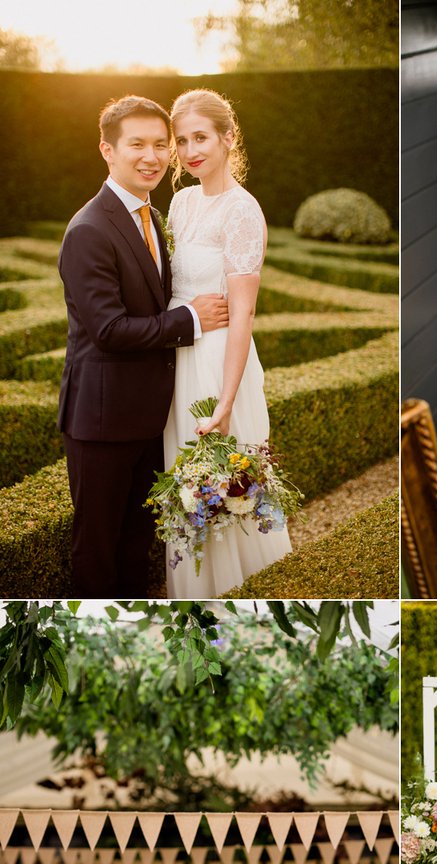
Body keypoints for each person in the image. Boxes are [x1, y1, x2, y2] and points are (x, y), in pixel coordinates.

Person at [57, 95, 229, 598]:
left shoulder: (153, 216)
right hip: (101, 422)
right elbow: (108, 329)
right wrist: (190, 319)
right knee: (97, 546)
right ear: (107, 150)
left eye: (161, 144)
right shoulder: (88, 230)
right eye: (137, 144)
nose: (152, 156)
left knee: (137, 543)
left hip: (152, 416)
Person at [163, 88, 292, 597]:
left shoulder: (242, 211)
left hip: (218, 363)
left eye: (201, 137)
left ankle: (247, 595)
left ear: (227, 138)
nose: (191, 150)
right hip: (178, 356)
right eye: (182, 141)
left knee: (229, 488)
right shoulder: (179, 201)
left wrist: (226, 399)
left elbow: (244, 314)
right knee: (186, 486)